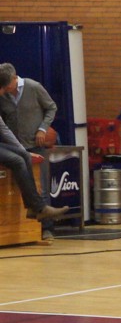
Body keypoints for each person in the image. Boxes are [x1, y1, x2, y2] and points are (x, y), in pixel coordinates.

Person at [0, 68, 68, 223]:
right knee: (18, 160)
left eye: (5, 88)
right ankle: (38, 207)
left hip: (27, 142)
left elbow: (3, 128)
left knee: (23, 156)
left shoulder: (33, 87)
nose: (4, 92)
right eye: (3, 89)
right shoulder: (4, 97)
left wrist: (24, 149)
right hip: (16, 140)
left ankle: (35, 208)